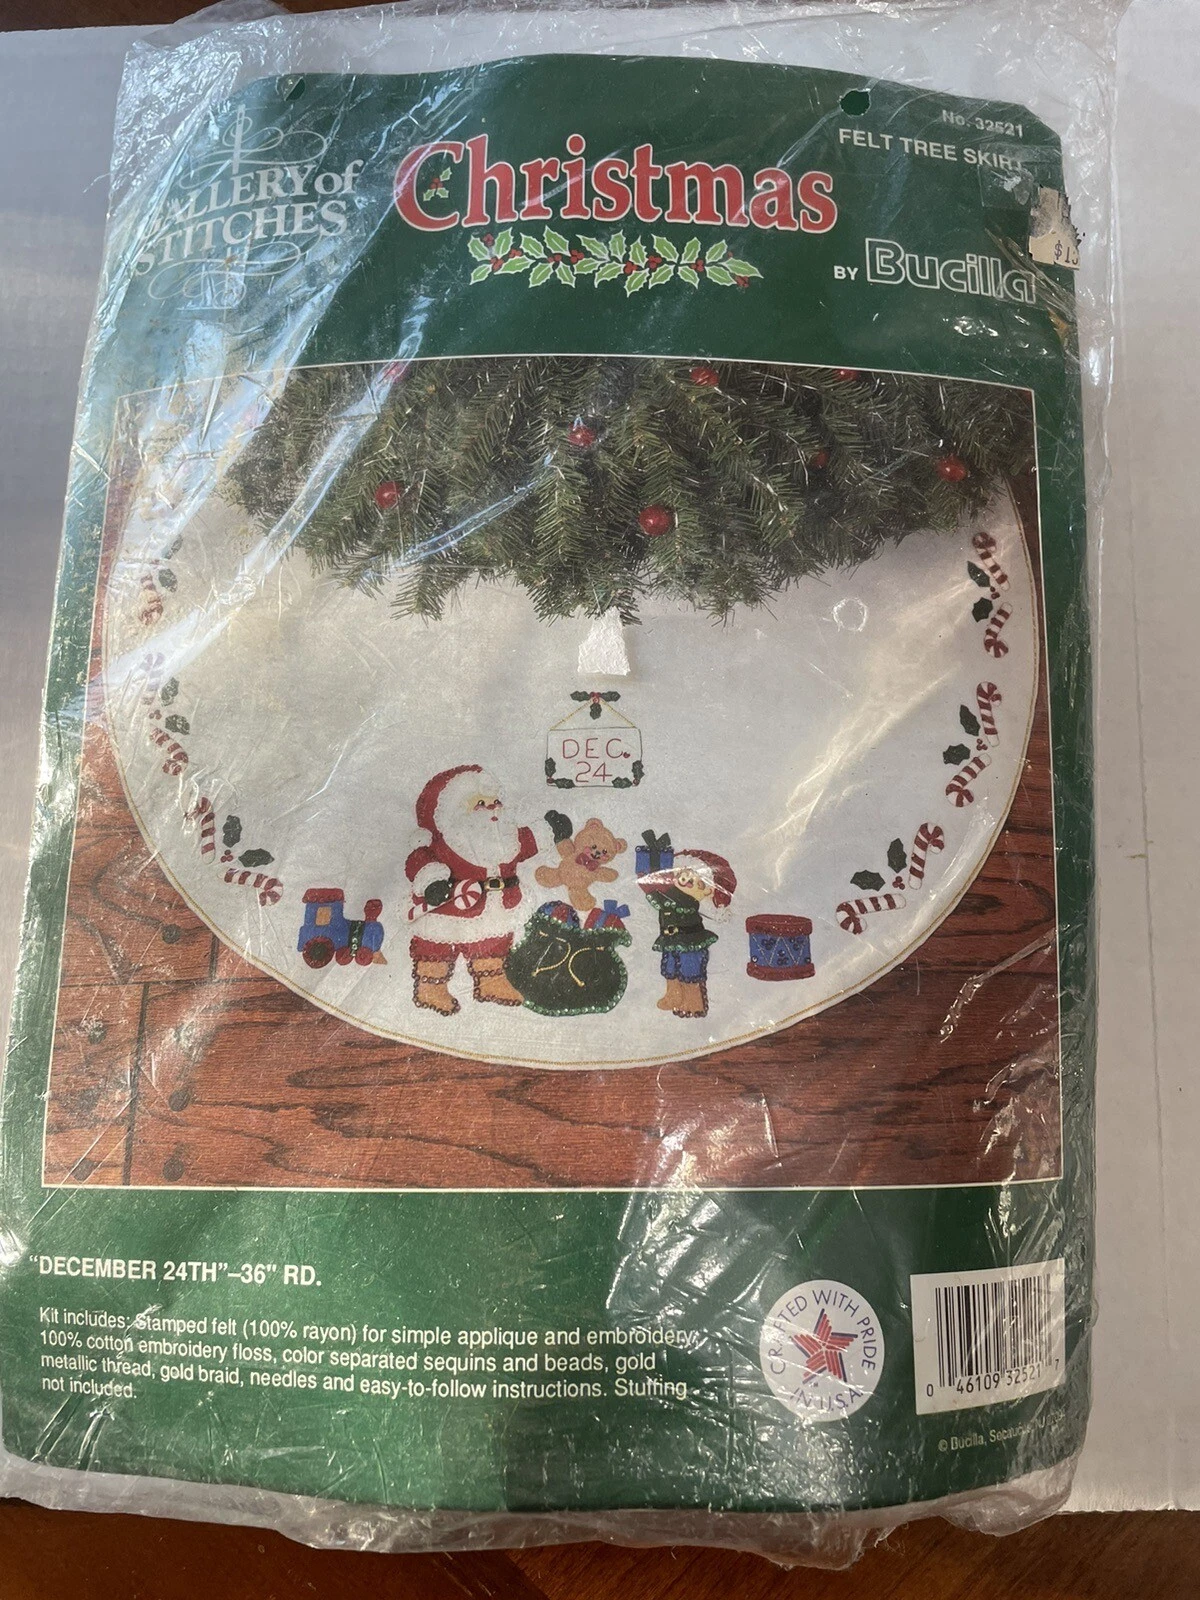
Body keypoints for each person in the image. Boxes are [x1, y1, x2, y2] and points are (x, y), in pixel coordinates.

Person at [405, 764, 569, 1015]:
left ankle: (491, 982)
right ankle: (430, 987)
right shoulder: (446, 843)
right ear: (454, 813)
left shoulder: (507, 837)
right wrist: (431, 881)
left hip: (496, 907)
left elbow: (525, 842)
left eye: (496, 802)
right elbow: (421, 860)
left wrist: (549, 830)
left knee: (493, 943)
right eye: (481, 803)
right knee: (435, 949)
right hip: (450, 909)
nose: (493, 808)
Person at [638, 849, 737, 1019]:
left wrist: (650, 889)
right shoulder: (670, 894)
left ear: (708, 891)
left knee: (690, 971)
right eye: (683, 876)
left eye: (697, 883)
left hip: (690, 942)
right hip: (671, 939)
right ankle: (673, 995)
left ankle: (694, 1002)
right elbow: (657, 897)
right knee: (670, 967)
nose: (687, 882)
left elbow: (660, 900)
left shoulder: (686, 902)